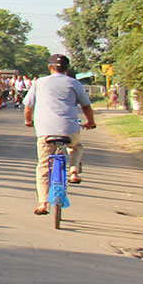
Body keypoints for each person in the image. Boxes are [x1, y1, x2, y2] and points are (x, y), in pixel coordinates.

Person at [24, 55, 96, 214]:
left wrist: (28, 121)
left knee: (43, 165)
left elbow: (28, 107)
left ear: (50, 68)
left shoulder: (39, 82)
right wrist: (90, 122)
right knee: (76, 146)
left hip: (45, 131)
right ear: (67, 69)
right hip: (69, 129)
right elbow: (86, 107)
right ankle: (74, 171)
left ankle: (43, 203)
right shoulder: (74, 83)